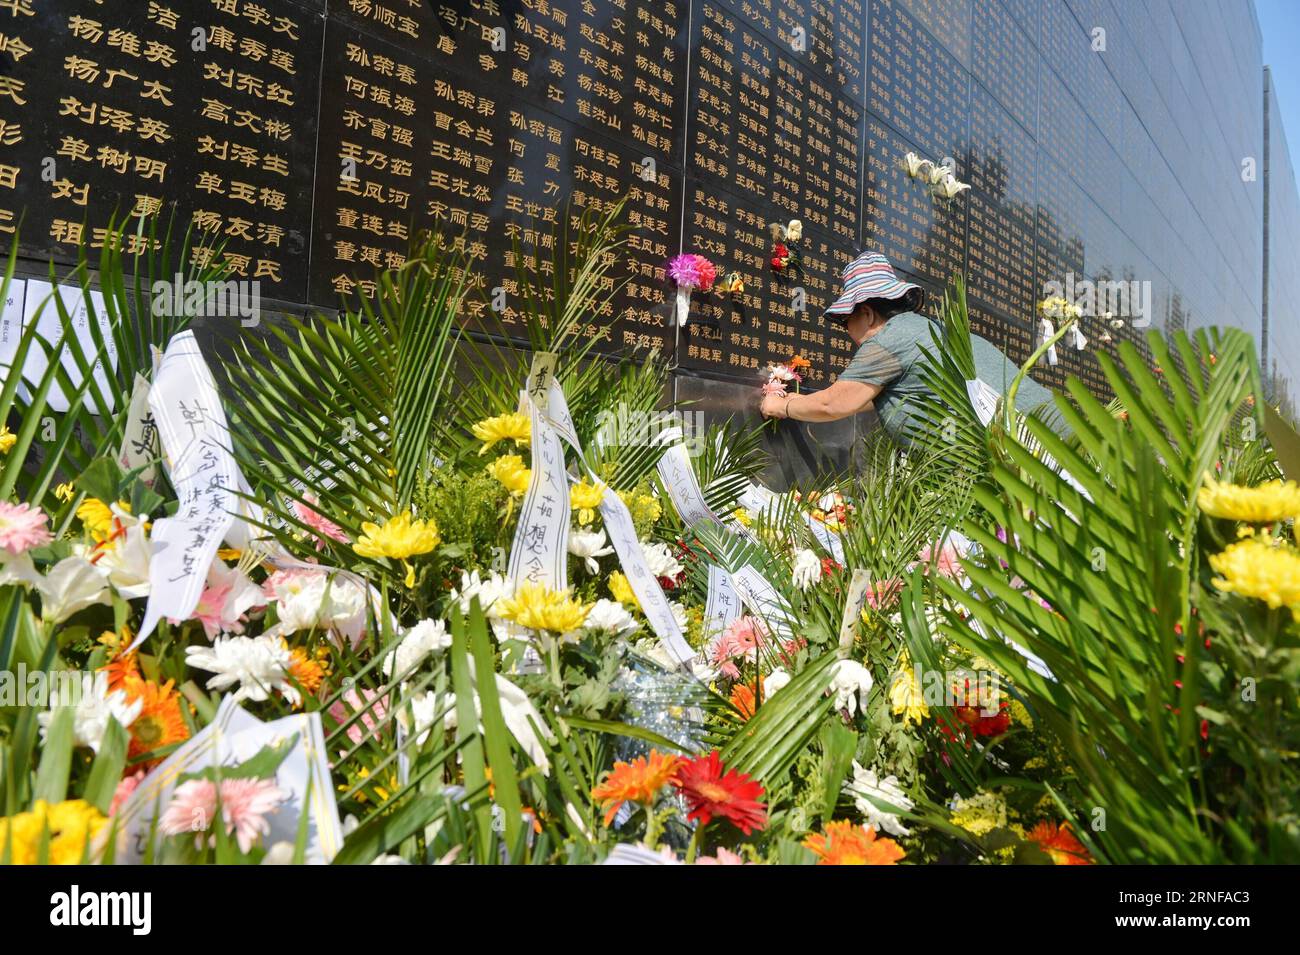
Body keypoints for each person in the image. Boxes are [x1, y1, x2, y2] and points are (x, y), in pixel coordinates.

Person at [759, 250, 1058, 445]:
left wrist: (781, 405)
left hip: (1034, 457)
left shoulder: (891, 336)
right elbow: (880, 394)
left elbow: (833, 404)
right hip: (1058, 447)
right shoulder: (933, 334)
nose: (846, 331)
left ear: (866, 313)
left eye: (845, 320)